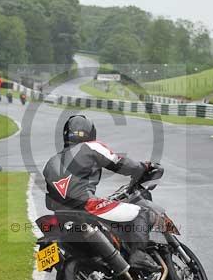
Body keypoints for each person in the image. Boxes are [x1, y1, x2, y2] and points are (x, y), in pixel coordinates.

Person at [42, 115, 160, 271]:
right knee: (141, 213)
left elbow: (49, 198)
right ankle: (138, 254)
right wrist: (143, 168)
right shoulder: (90, 146)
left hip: (60, 215)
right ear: (90, 133)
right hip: (87, 206)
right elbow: (120, 163)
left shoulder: (50, 163)